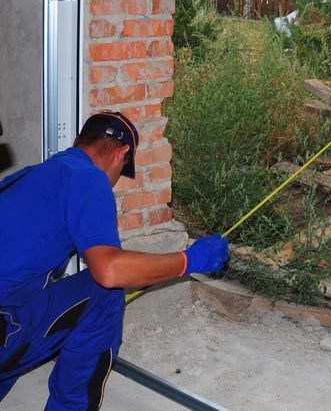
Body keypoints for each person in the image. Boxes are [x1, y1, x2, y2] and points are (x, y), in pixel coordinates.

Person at [0, 111, 229, 409]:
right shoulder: (87, 176)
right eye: (122, 170)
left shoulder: (30, 177)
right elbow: (109, 270)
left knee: (34, 293)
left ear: (79, 142)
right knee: (103, 293)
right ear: (121, 153)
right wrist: (189, 260)